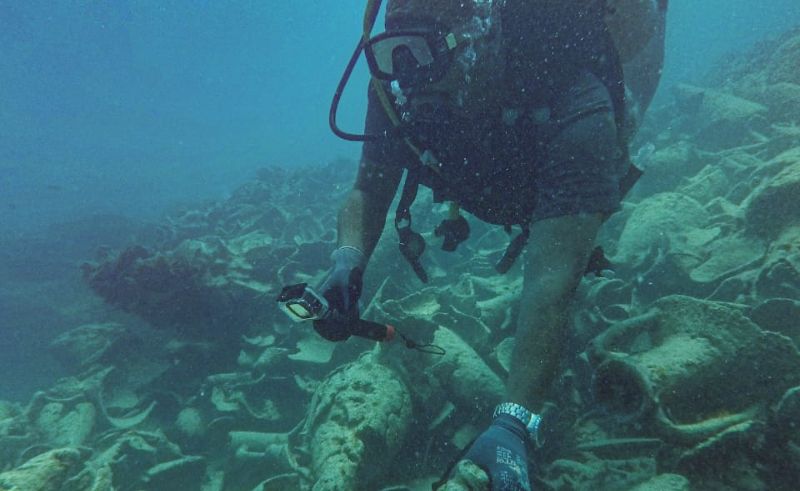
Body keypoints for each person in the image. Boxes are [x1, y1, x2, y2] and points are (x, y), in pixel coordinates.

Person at [316, 0, 668, 489]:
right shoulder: (402, 82)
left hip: (565, 145)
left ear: (478, 39)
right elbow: (368, 187)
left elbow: (552, 280)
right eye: (395, 50)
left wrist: (514, 422)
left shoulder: (573, 93)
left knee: (640, 65)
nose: (410, 78)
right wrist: (347, 259)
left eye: (426, 51)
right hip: (502, 175)